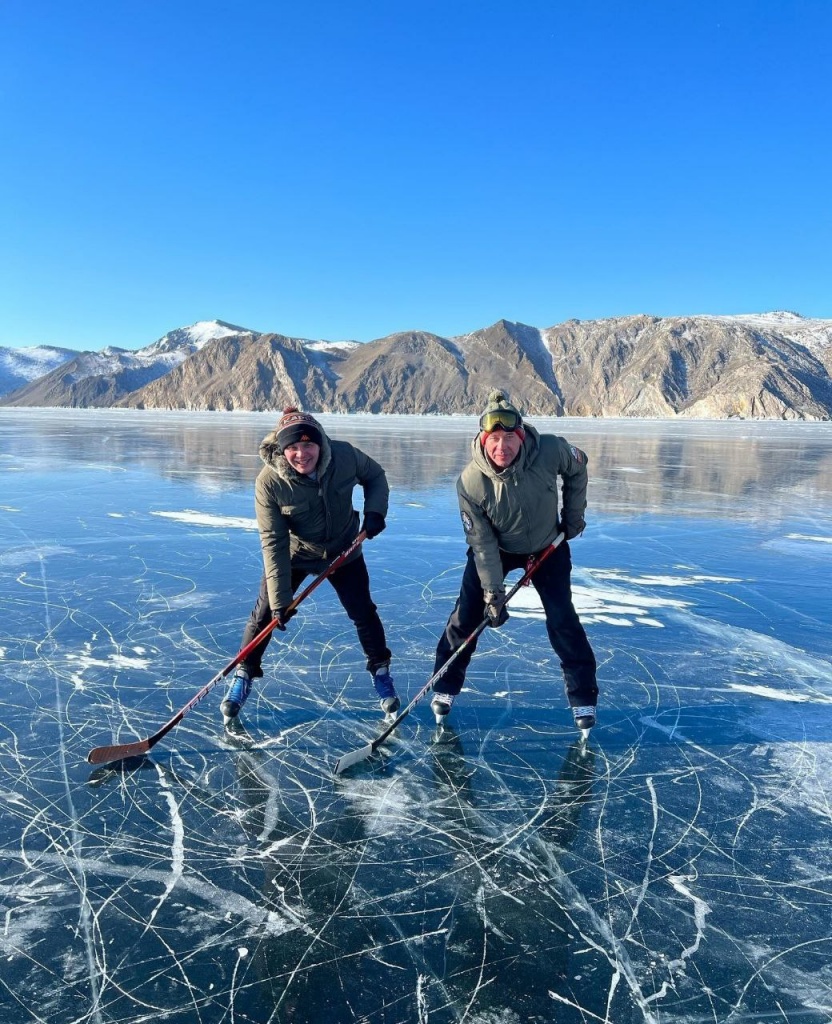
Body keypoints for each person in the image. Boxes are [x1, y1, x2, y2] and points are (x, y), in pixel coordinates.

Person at [431, 390, 598, 733]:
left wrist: (573, 516)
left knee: (562, 617)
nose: (501, 447)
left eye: (509, 437)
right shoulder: (470, 482)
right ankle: (445, 686)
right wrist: (493, 593)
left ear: (521, 436)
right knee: (467, 614)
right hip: (498, 550)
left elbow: (578, 468)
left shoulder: (550, 449)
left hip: (547, 545)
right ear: (482, 439)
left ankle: (583, 696)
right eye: (494, 439)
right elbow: (482, 542)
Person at [221, 407, 398, 722]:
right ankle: (244, 673)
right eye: (292, 447)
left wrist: (375, 512)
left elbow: (375, 476)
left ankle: (380, 671)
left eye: (308, 445)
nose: (301, 454)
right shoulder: (270, 483)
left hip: (345, 549)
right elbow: (273, 542)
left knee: (363, 612)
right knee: (264, 614)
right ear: (282, 448)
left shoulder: (344, 456)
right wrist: (280, 602)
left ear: (321, 443)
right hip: (297, 554)